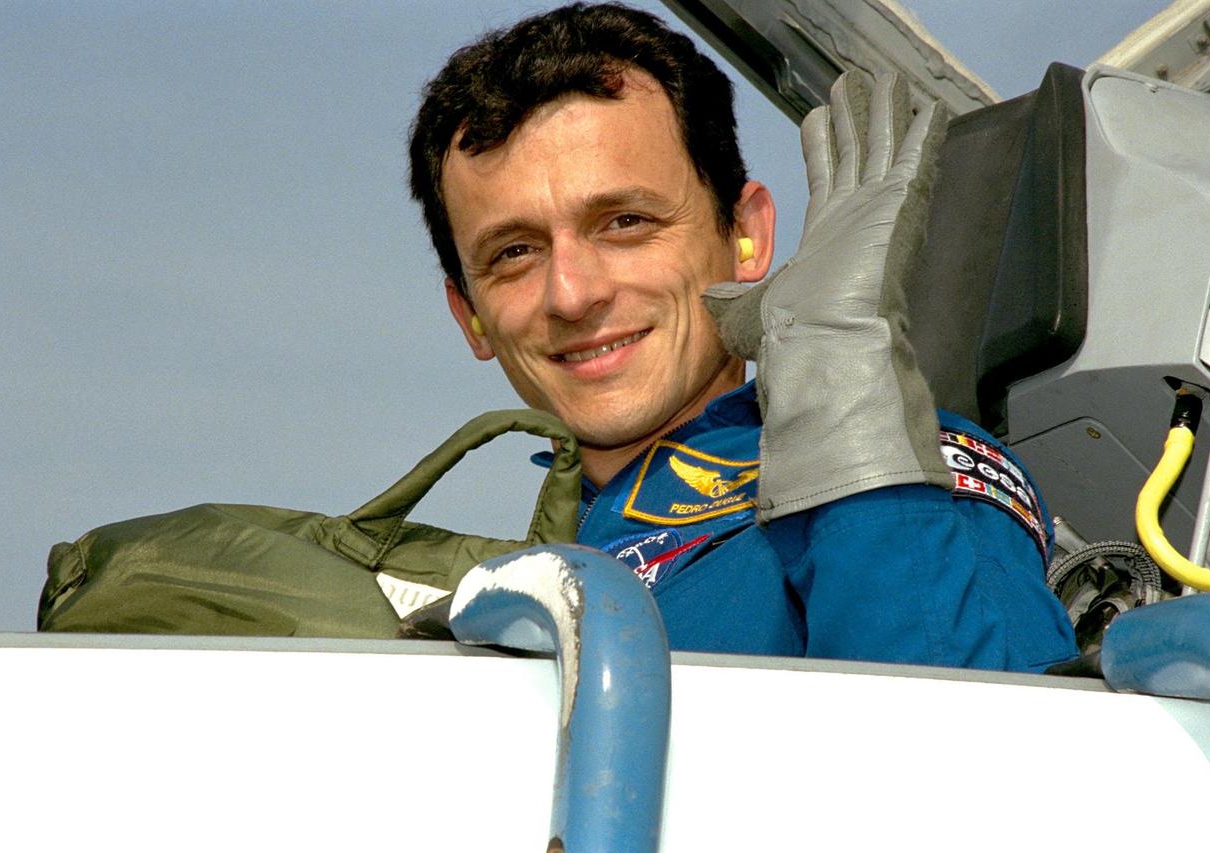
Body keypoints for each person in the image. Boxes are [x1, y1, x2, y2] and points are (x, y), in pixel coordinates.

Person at [408, 2, 1077, 670]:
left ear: (746, 235)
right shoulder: (482, 597)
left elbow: (975, 755)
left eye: (625, 222)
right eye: (515, 252)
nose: (572, 294)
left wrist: (848, 416)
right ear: (469, 313)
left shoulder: (918, 471)